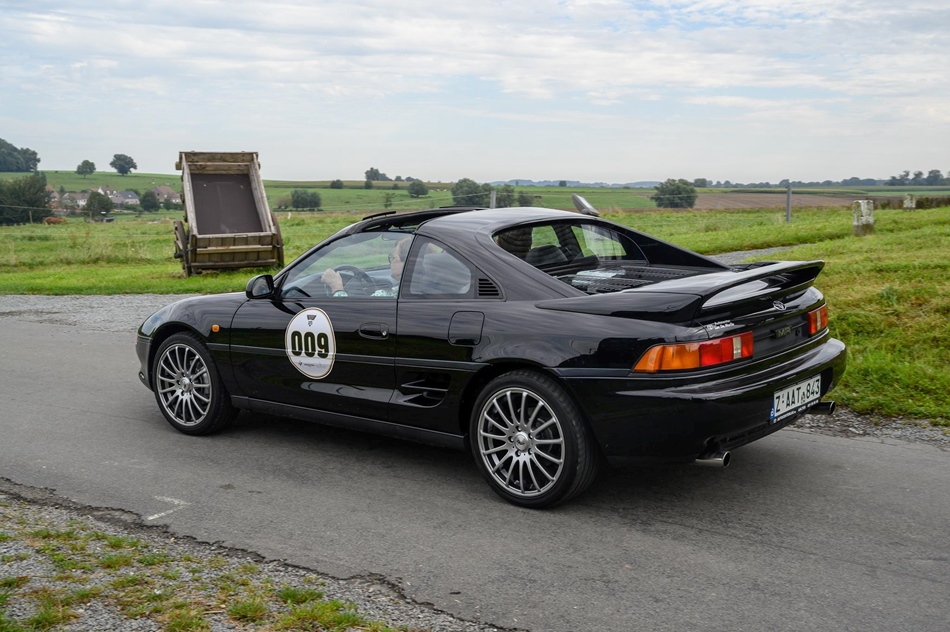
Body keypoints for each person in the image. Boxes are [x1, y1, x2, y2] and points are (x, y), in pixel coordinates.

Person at [321, 237, 409, 297]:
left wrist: (336, 288)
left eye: (394, 258)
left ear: (406, 263)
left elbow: (350, 313)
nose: (391, 262)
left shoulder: (392, 295)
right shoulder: (410, 290)